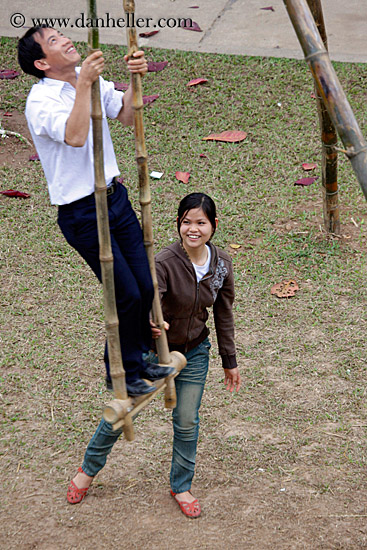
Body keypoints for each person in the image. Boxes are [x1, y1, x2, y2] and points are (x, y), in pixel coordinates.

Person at [17, 26, 174, 398]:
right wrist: (84, 81)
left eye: (61, 34)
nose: (66, 40)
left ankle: (136, 357)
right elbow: (74, 136)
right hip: (82, 212)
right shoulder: (40, 101)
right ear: (42, 63)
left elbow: (124, 113)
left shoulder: (91, 80)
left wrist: (136, 78)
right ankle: (119, 371)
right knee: (125, 293)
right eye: (54, 41)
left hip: (114, 198)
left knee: (145, 285)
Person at [61, 192, 241, 515]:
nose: (193, 229)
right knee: (123, 412)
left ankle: (181, 486)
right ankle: (86, 471)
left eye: (201, 222)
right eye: (186, 222)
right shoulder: (164, 262)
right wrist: (150, 323)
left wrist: (230, 361)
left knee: (187, 421)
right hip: (156, 355)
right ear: (178, 225)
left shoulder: (222, 264)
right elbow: (147, 297)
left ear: (214, 225)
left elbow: (223, 313)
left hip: (195, 353)